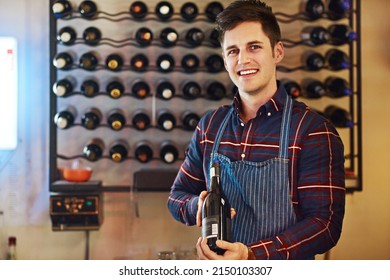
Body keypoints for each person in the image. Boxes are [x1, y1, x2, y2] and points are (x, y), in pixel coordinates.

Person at [167, 0, 346, 260]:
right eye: (233, 51)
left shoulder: (313, 131)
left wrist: (252, 255)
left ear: (278, 52)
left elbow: (325, 226)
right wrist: (200, 205)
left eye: (254, 47)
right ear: (225, 60)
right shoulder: (210, 127)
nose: (243, 59)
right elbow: (176, 197)